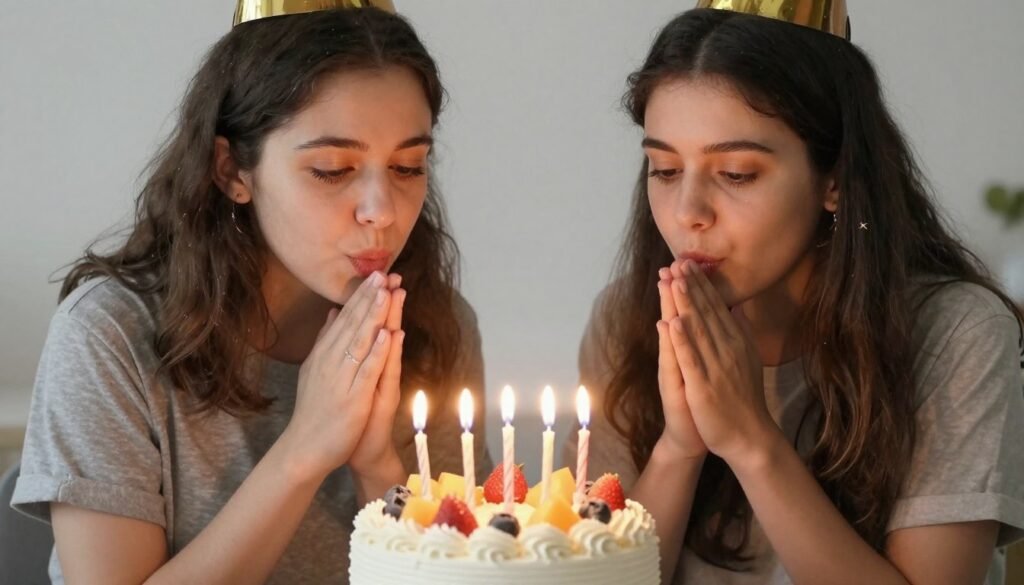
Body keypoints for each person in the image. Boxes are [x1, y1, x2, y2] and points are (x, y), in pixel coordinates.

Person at [12, 3, 491, 583]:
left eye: (409, 167)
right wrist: (304, 449)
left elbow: (465, 573)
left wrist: (377, 469)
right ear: (232, 170)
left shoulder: (436, 326)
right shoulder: (108, 335)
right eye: (334, 169)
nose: (382, 212)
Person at [563, 3, 1024, 584]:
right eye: (664, 170)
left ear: (833, 178)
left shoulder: (958, 332)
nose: (687, 214)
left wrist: (751, 440)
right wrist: (680, 447)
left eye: (736, 174)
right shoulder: (626, 321)